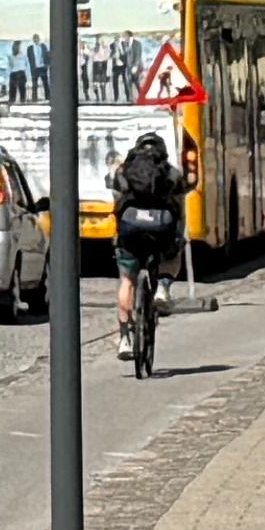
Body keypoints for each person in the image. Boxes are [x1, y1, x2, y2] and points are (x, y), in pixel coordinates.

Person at [110, 112, 186, 369]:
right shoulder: (170, 172)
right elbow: (180, 205)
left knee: (127, 280)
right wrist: (179, 236)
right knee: (172, 255)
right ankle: (163, 288)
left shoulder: (124, 171)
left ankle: (124, 339)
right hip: (161, 228)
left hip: (130, 229)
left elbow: (115, 201)